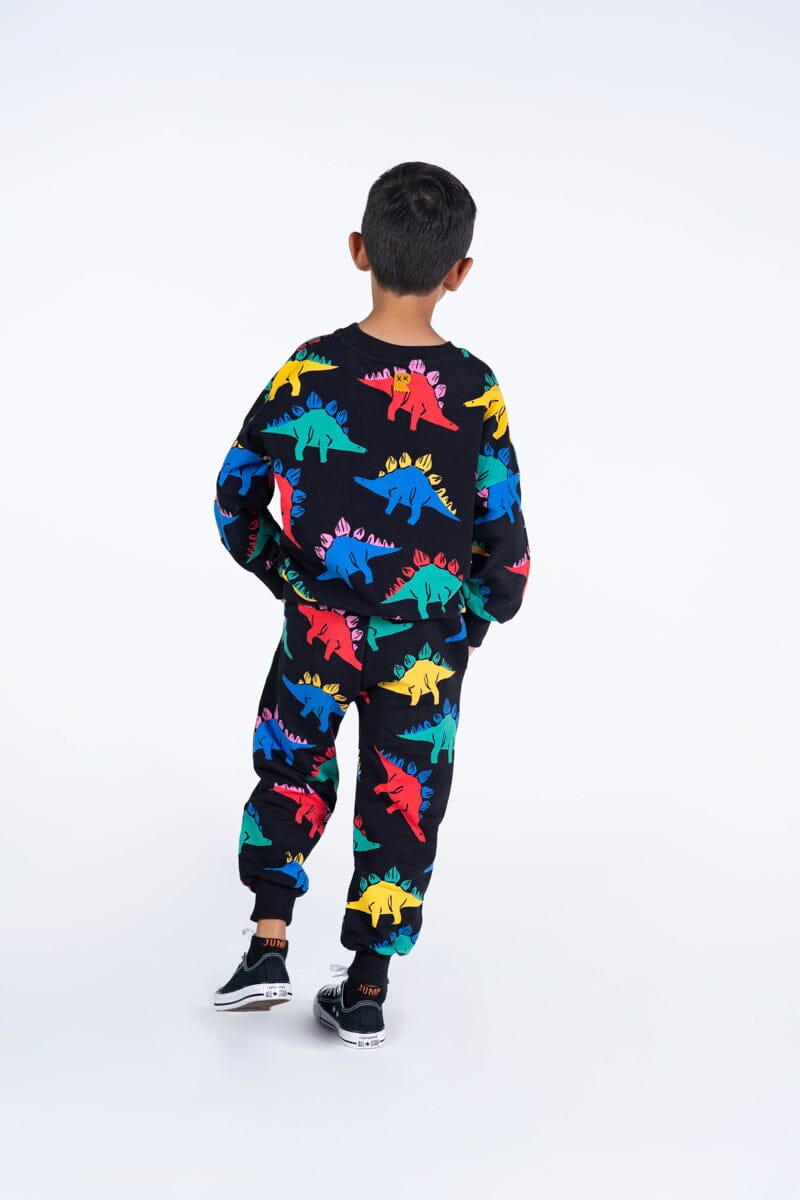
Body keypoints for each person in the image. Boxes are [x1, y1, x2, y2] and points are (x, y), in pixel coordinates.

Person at [210, 161, 531, 1048]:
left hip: (320, 627)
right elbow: (503, 537)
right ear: (460, 270)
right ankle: (365, 989)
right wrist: (473, 619)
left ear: (359, 250)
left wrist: (293, 580)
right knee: (406, 800)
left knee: (291, 765)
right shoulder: (475, 388)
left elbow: (235, 497)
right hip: (422, 640)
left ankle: (268, 941)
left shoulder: (311, 368)